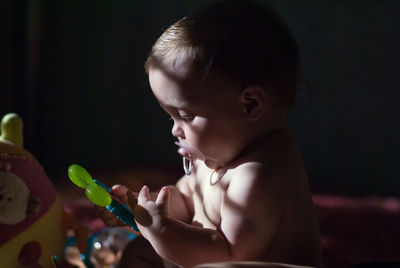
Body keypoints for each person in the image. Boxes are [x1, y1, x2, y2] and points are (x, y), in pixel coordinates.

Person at [99, 0, 322, 267]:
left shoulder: (261, 172)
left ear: (250, 104)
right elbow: (184, 198)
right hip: (203, 255)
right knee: (139, 252)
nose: (174, 129)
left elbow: (230, 253)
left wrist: (161, 231)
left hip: (238, 259)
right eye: (170, 116)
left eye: (186, 115)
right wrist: (142, 207)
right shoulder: (214, 157)